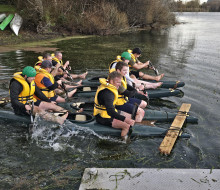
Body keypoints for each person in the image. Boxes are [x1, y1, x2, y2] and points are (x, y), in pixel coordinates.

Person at [93, 71, 135, 141]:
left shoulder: (110, 86)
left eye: (120, 82)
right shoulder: (108, 93)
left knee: (131, 117)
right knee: (126, 126)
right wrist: (125, 119)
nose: (120, 85)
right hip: (103, 117)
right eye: (118, 82)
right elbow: (110, 112)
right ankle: (123, 142)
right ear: (112, 81)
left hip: (107, 112)